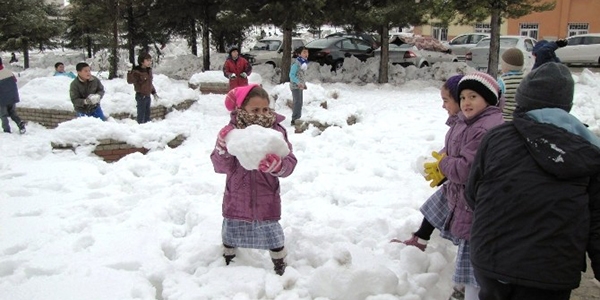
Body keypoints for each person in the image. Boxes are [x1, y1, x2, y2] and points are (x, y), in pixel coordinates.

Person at [466, 62, 600, 300]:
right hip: (551, 271)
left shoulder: (496, 138)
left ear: (523, 100)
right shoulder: (588, 150)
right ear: (566, 104)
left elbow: (473, 193)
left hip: (492, 258)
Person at [424, 72, 504, 300]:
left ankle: (470, 294)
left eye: (473, 97)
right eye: (463, 98)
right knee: (468, 255)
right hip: (467, 200)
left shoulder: (484, 128)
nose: (466, 102)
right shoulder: (467, 122)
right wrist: (442, 162)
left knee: (474, 260)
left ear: (488, 99)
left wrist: (444, 163)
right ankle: (462, 289)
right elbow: (455, 150)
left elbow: (467, 169)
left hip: (478, 204)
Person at [210, 84, 297, 275]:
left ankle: (278, 262)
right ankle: (228, 258)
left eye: (265, 109)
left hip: (267, 198)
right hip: (237, 197)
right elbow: (220, 167)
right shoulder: (232, 132)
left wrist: (278, 166)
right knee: (232, 231)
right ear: (241, 109)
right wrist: (222, 149)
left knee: (271, 234)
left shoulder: (276, 131)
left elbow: (290, 162)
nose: (261, 114)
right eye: (255, 109)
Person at [391, 75, 464, 251]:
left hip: (465, 185)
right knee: (438, 201)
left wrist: (444, 164)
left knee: (451, 207)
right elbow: (452, 147)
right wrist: (438, 160)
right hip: (456, 179)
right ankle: (421, 238)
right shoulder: (460, 122)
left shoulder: (469, 125)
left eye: (446, 100)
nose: (443, 105)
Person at [127, 53, 158, 124]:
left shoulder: (148, 70)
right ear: (142, 61)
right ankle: (140, 130)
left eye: (150, 60)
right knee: (141, 116)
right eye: (147, 60)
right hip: (141, 96)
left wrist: (153, 92)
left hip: (147, 96)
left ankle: (147, 129)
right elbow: (130, 81)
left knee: (147, 115)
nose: (149, 62)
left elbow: (149, 83)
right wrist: (129, 72)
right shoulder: (137, 72)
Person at [497, 48, 525, 121]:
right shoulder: (526, 79)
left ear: (506, 66)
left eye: (502, 64)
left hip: (505, 118)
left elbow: (497, 99)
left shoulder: (502, 81)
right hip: (521, 119)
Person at [0, 57, 26, 134]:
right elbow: (15, 80)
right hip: (12, 97)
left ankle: (6, 130)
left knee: (3, 115)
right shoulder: (8, 72)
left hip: (2, 99)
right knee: (12, 113)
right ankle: (20, 124)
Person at [289, 46, 308, 126]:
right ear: (299, 54)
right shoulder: (296, 63)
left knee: (300, 103)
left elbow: (301, 75)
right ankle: (294, 119)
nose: (306, 54)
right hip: (295, 86)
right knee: (297, 102)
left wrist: (304, 84)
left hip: (300, 86)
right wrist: (298, 82)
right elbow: (291, 75)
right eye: (304, 52)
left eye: (307, 52)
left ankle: (298, 118)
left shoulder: (303, 63)